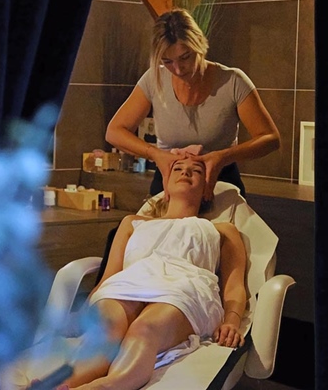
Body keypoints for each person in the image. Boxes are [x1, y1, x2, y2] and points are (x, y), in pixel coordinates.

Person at [23, 157, 247, 390]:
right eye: (178, 168)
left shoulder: (222, 230)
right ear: (165, 187)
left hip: (183, 289)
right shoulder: (133, 223)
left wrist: (232, 321)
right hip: (125, 285)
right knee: (106, 329)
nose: (185, 172)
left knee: (145, 329)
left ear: (207, 190)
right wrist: (87, 312)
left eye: (196, 170)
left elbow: (234, 286)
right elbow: (109, 276)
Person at [105, 8, 280, 201]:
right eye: (167, 61)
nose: (178, 69)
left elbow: (270, 138)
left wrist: (223, 157)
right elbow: (114, 131)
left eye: (185, 57)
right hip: (170, 180)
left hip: (220, 182)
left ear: (199, 44)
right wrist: (155, 154)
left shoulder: (232, 82)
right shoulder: (154, 80)